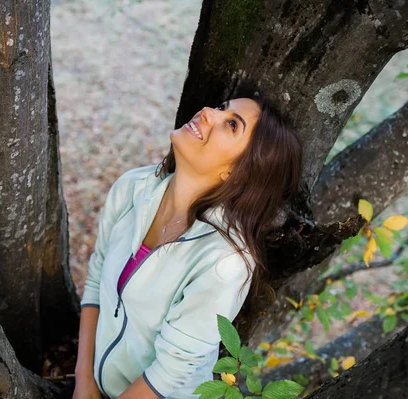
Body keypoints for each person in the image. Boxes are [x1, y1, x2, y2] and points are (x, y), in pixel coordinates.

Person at [73, 95, 303, 399]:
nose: (208, 112)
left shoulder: (225, 262)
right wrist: (83, 381)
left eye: (231, 124)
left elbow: (172, 372)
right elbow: (96, 278)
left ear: (237, 174)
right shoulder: (132, 187)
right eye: (223, 108)